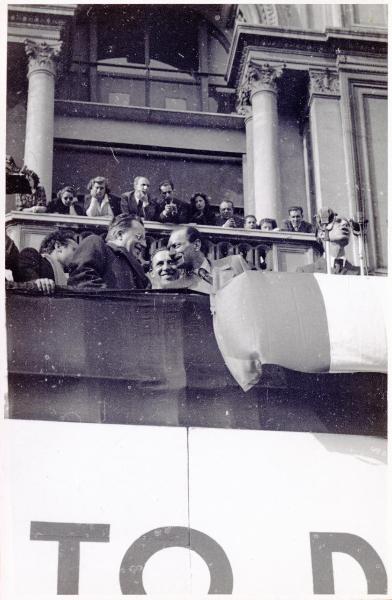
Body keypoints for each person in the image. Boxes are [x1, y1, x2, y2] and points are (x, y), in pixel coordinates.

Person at [67, 213, 150, 289]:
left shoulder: (138, 269)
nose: (144, 244)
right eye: (139, 237)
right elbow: (82, 281)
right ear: (119, 235)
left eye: (145, 240)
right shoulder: (96, 243)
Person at [168, 225, 249, 294]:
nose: (170, 253)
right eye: (169, 249)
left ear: (196, 245)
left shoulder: (236, 262)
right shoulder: (179, 286)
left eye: (176, 246)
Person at [297, 208, 360, 275]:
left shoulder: (362, 273)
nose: (345, 224)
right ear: (321, 234)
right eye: (337, 221)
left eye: (347, 224)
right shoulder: (306, 272)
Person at [15, 230, 78, 294]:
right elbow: (23, 276)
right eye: (74, 249)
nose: (77, 254)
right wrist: (36, 282)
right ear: (58, 246)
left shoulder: (71, 276)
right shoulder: (33, 256)